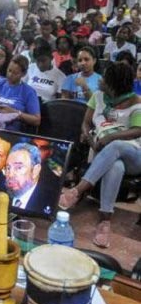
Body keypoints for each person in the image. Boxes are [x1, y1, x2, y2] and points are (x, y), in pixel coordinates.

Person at [58, 62, 141, 248]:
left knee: (117, 145)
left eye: (104, 78)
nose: (100, 80)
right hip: (103, 153)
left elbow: (138, 131)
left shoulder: (137, 102)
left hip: (134, 154)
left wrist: (110, 137)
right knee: (115, 166)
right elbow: (86, 123)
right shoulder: (98, 97)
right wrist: (88, 137)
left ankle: (76, 191)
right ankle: (105, 222)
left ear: (113, 84)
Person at [0, 55, 41, 131]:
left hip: (10, 130)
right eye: (9, 70)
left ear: (23, 74)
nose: (10, 75)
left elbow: (36, 120)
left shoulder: (28, 92)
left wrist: (15, 113)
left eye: (15, 73)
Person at [5, 142, 55, 215]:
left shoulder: (50, 200)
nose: (10, 174)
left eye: (19, 168)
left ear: (35, 171)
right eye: (8, 168)